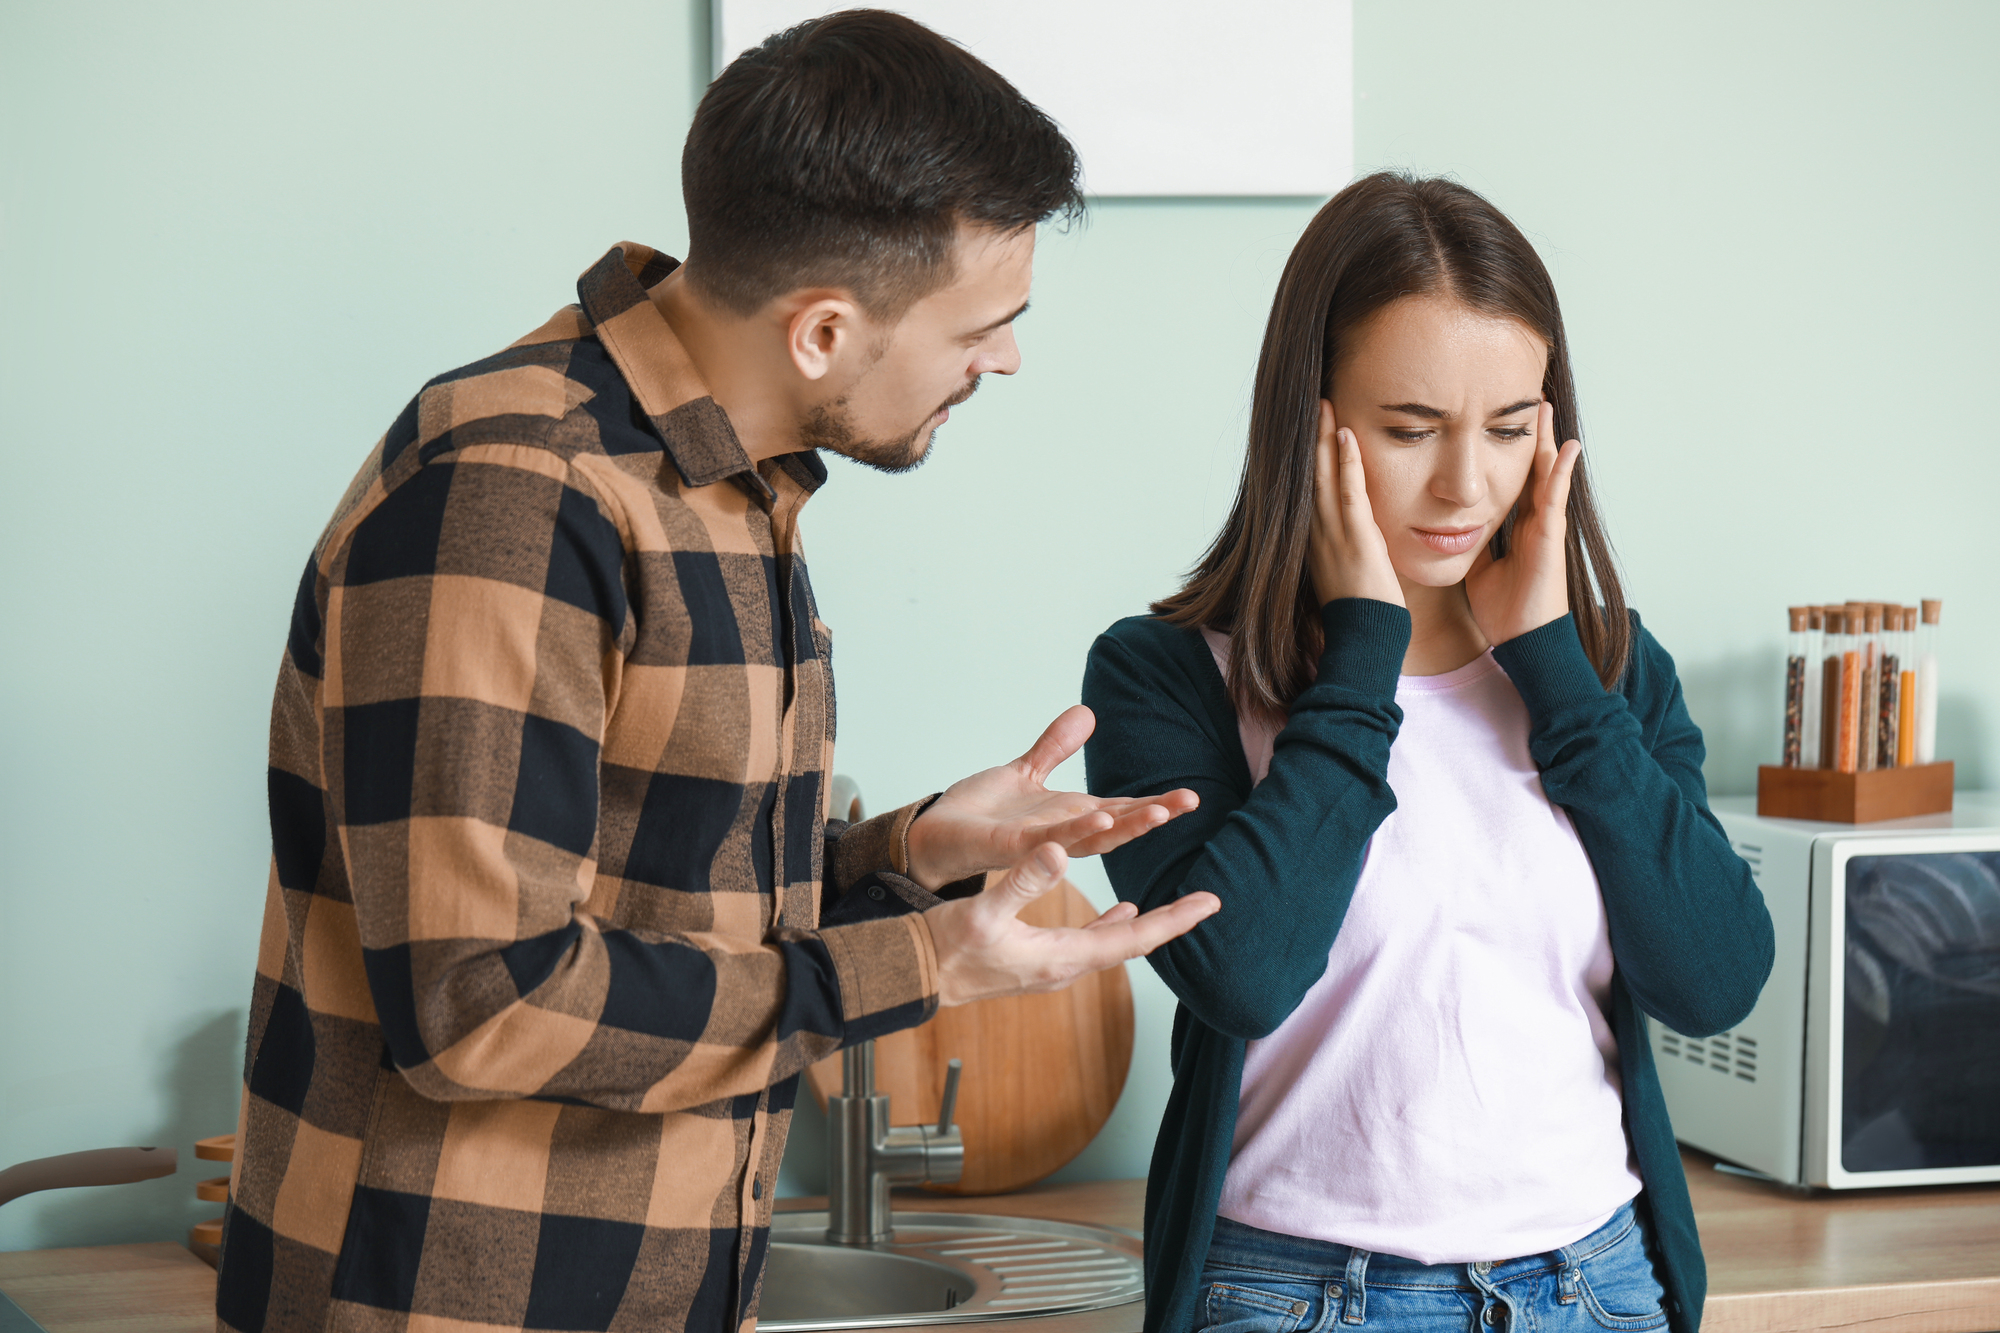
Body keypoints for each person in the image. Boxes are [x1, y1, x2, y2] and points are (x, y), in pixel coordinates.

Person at [216, 13, 1220, 1333]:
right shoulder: (519, 496)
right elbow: (483, 1004)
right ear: (820, 331)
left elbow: (661, 891)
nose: (1004, 360)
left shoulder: (728, 489)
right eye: (983, 325)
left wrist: (912, 851)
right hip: (452, 1302)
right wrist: (928, 963)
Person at [1081, 173, 1775, 1333]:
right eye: (1409, 430)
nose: (1465, 484)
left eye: (1508, 428)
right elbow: (1244, 975)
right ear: (1307, 415)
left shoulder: (1603, 671)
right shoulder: (1167, 680)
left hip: (1593, 1289)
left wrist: (1552, 668)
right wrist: (1362, 655)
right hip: (1297, 1296)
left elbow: (1712, 981)